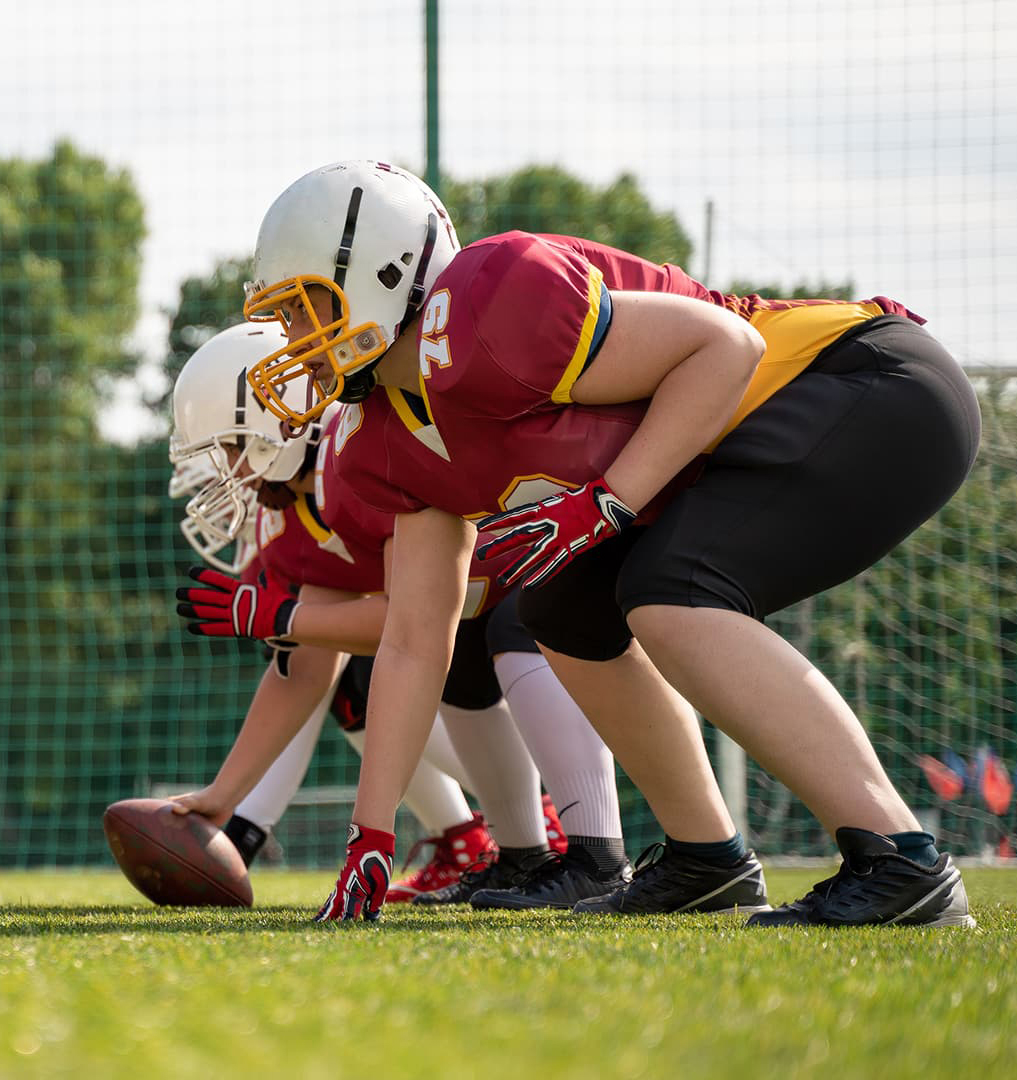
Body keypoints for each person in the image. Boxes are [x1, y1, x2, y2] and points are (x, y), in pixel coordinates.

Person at [232, 159, 978, 926]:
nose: (292, 338)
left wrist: (608, 505)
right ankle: (705, 857)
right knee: (565, 612)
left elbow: (727, 347)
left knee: (674, 591)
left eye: (303, 308)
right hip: (744, 446)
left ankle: (899, 858)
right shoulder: (380, 441)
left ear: (382, 274)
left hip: (859, 380)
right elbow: (417, 641)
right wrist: (373, 834)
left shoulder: (488, 299)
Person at [167, 323, 621, 907]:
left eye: (228, 446)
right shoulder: (289, 525)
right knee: (431, 676)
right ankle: (520, 853)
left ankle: (592, 848)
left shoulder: (356, 459)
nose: (225, 472)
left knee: (519, 625)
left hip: (543, 561)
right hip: (472, 610)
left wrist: (283, 614)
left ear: (278, 422)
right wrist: (226, 793)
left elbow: (410, 618)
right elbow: (305, 672)